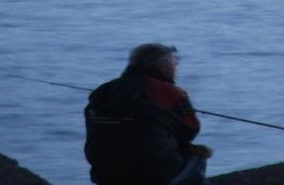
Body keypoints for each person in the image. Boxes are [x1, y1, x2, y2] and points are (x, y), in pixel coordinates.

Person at [84, 43, 212, 185]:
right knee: (198, 156)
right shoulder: (170, 92)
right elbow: (189, 131)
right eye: (173, 60)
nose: (176, 64)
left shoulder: (103, 91)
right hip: (155, 174)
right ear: (161, 66)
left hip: (104, 173)